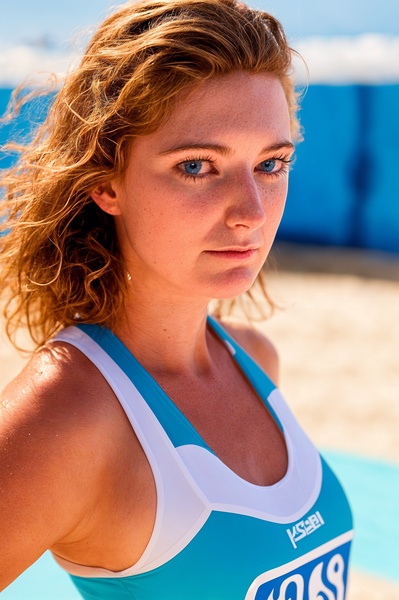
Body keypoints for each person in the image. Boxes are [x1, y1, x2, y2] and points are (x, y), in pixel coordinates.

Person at [0, 1, 353, 598]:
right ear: (106, 181)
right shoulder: (66, 418)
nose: (251, 212)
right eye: (197, 166)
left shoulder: (253, 360)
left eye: (271, 163)